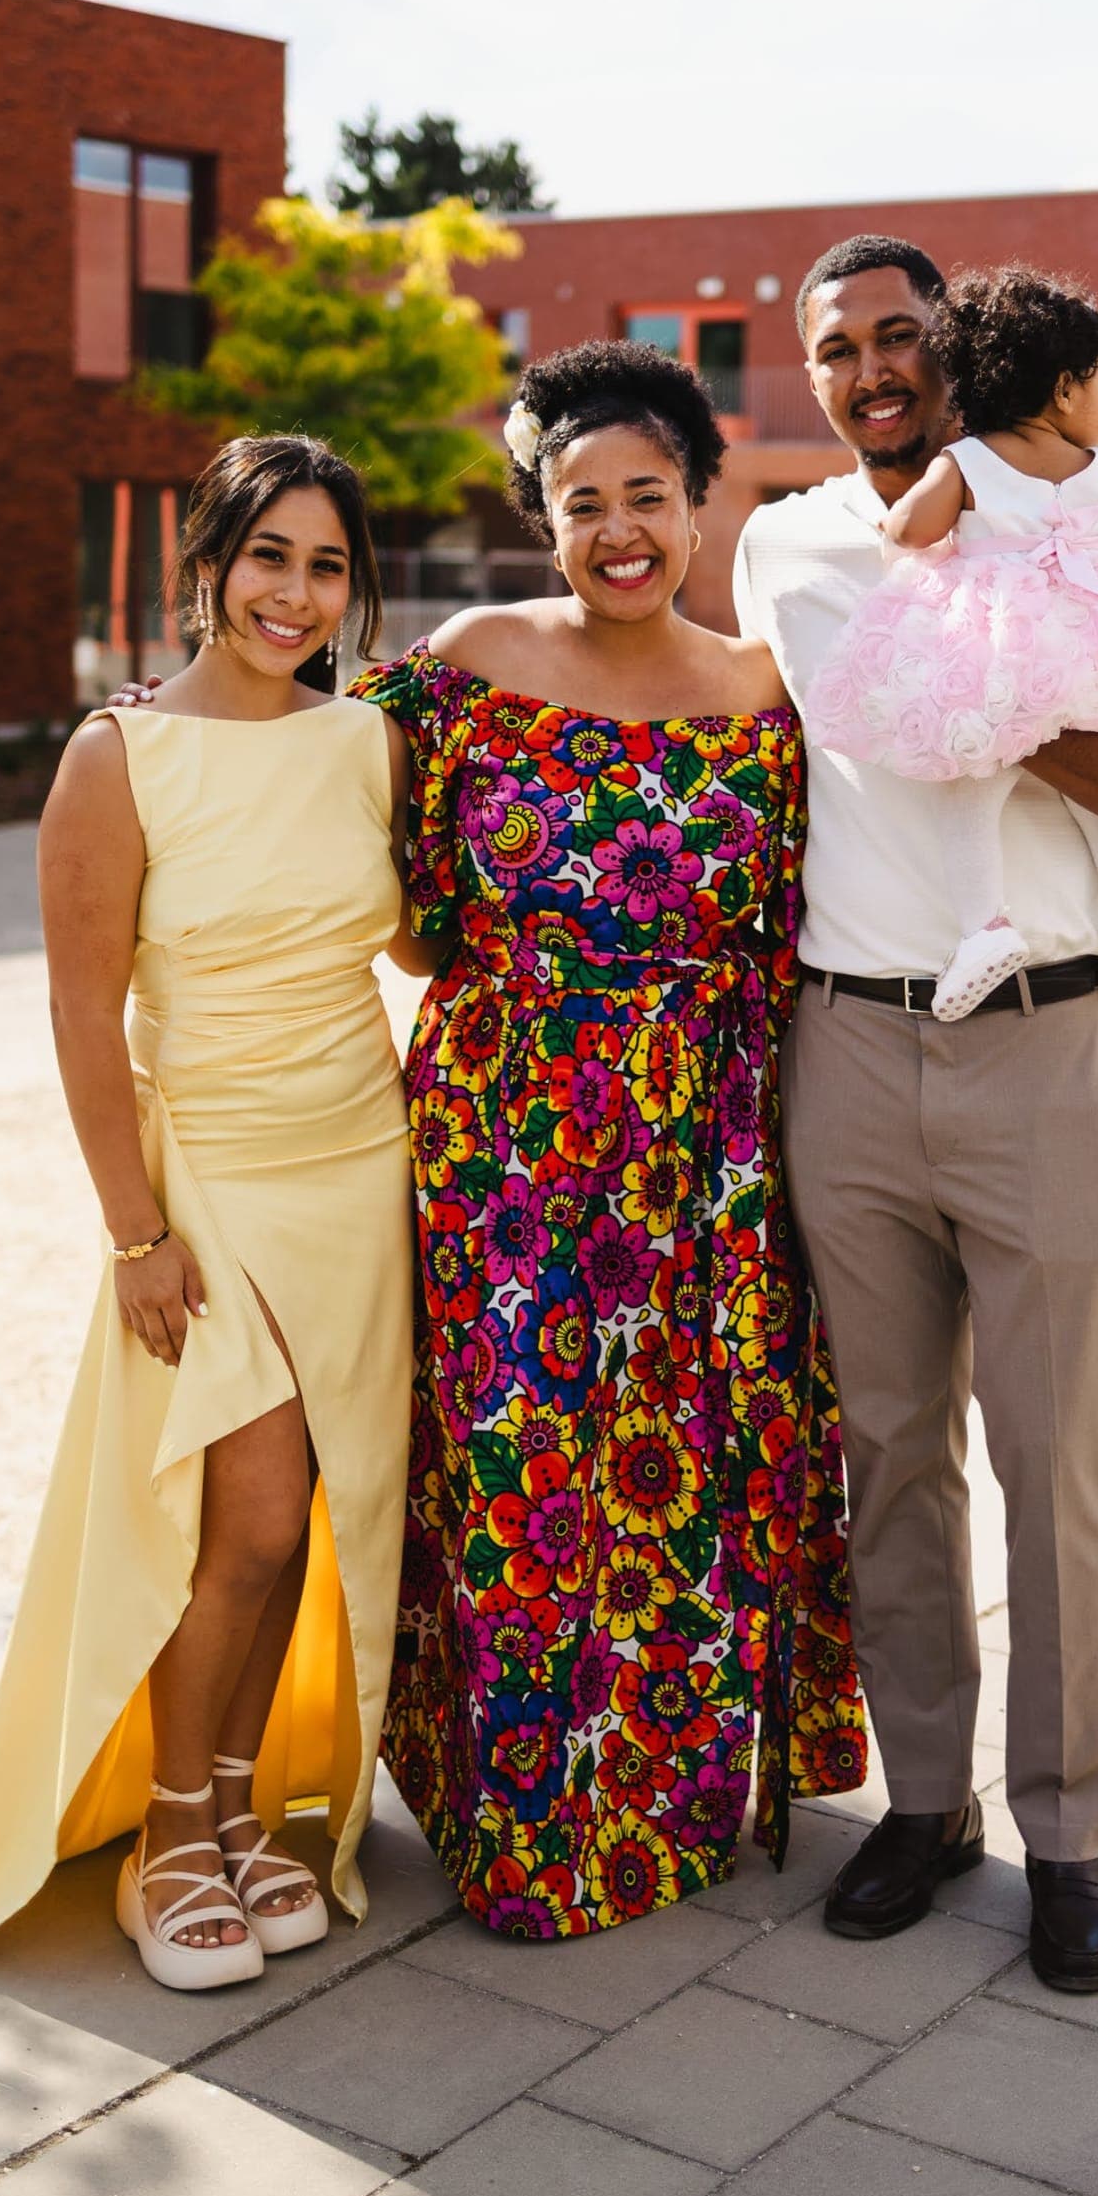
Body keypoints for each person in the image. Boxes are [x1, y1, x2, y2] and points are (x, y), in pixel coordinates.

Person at [0, 435, 417, 1991]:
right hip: (209, 1173)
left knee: (314, 1526)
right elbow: (84, 1019)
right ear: (204, 565)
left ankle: (241, 1804)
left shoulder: (364, 744)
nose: (295, 592)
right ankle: (162, 1838)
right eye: (268, 556)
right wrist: (135, 1231)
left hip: (360, 1161)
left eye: (327, 563)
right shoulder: (117, 754)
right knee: (252, 1514)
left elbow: (411, 945)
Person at [733, 237, 1098, 1991]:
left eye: (897, 338)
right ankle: (925, 1804)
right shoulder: (780, 552)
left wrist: (999, 713)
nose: (871, 368)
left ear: (953, 355)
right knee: (891, 1457)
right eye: (834, 348)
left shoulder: (1094, 535)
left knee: (1056, 1467)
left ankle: (1073, 1836)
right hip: (848, 1054)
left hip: (1041, 1049)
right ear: (809, 376)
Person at [357, 340, 864, 1936]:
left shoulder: (769, 695)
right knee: (516, 1476)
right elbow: (349, 844)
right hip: (504, 1148)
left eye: (650, 495)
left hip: (706, 1155)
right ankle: (515, 1825)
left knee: (693, 1478)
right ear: (543, 518)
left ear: (702, 509)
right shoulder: (472, 659)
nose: (621, 529)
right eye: (585, 503)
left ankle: (670, 1808)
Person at [808, 264, 1098, 1022]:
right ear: (1065, 390)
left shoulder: (968, 463)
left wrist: (905, 542)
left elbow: (909, 530)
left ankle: (986, 928)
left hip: (1002, 650)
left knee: (969, 788)